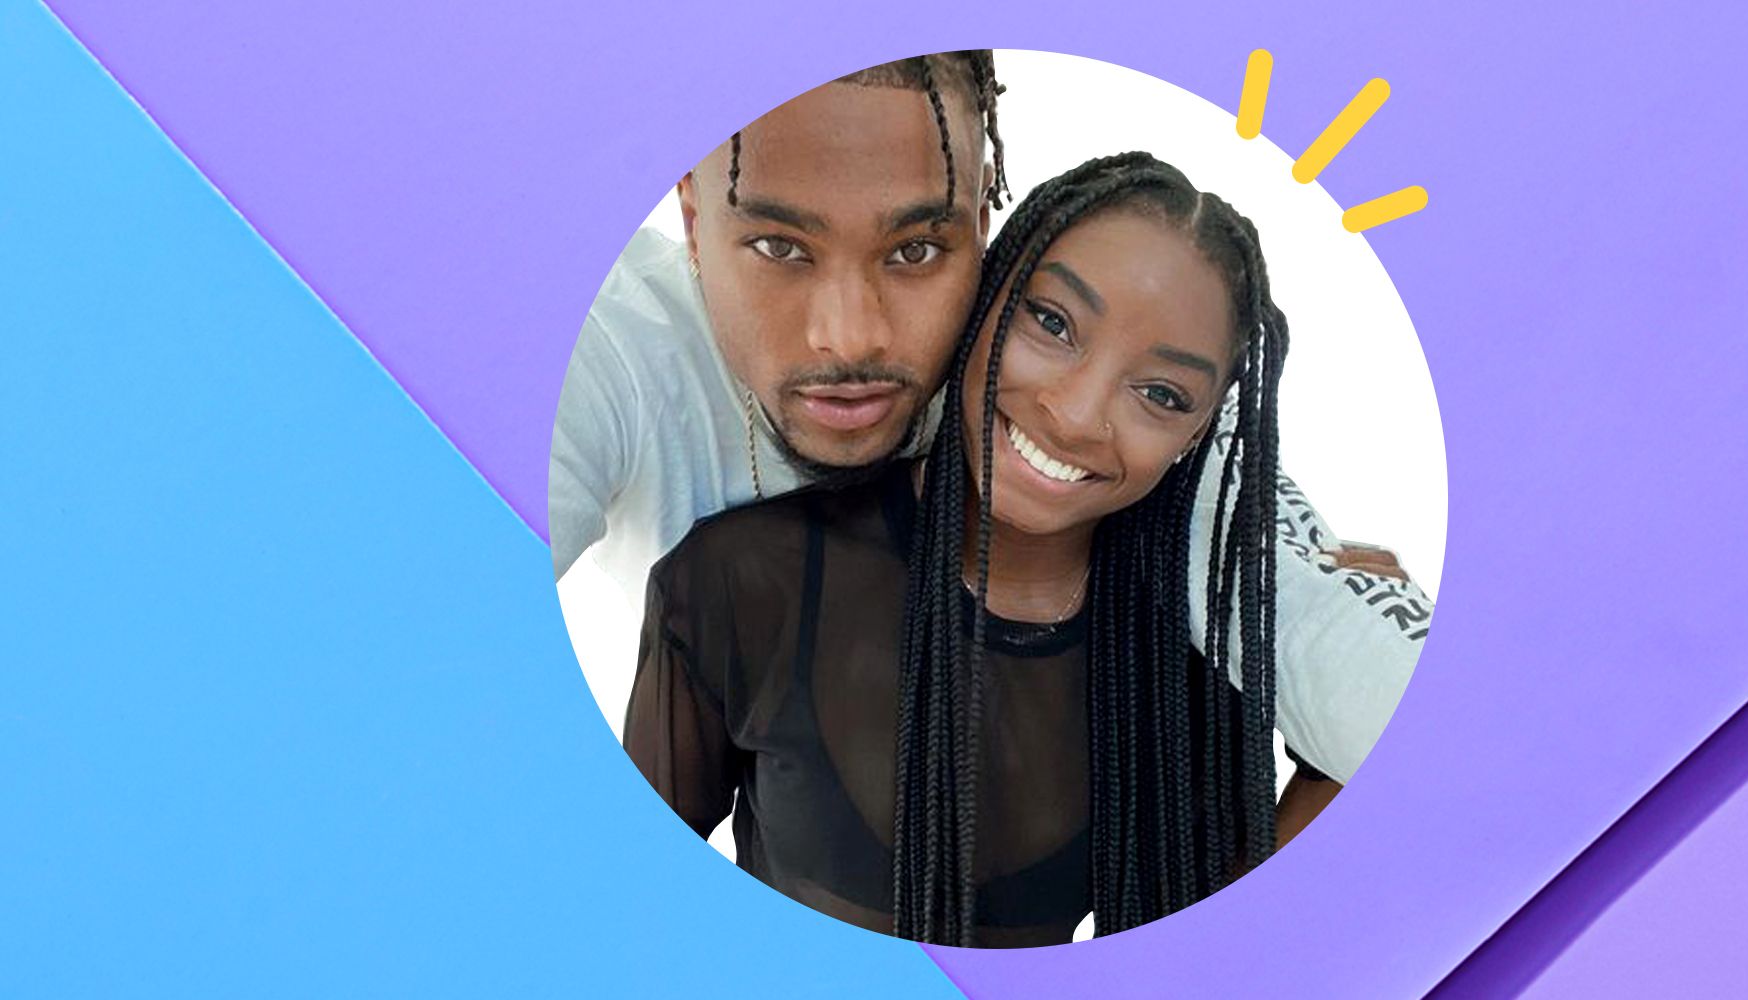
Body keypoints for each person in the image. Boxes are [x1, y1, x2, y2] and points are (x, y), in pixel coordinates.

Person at [551, 51, 1430, 822]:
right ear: (696, 224)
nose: (851, 337)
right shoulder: (605, 350)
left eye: (916, 250)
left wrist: (1317, 596)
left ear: (982, 228)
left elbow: (1446, 733)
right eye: (781, 247)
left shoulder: (1097, 388)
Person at [627, 153, 1340, 946]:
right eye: (1054, 323)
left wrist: (1346, 654)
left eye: (1161, 394)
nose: (1074, 415)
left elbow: (1209, 959)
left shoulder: (1190, 668)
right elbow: (622, 894)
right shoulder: (740, 579)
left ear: (1197, 434)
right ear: (985, 296)